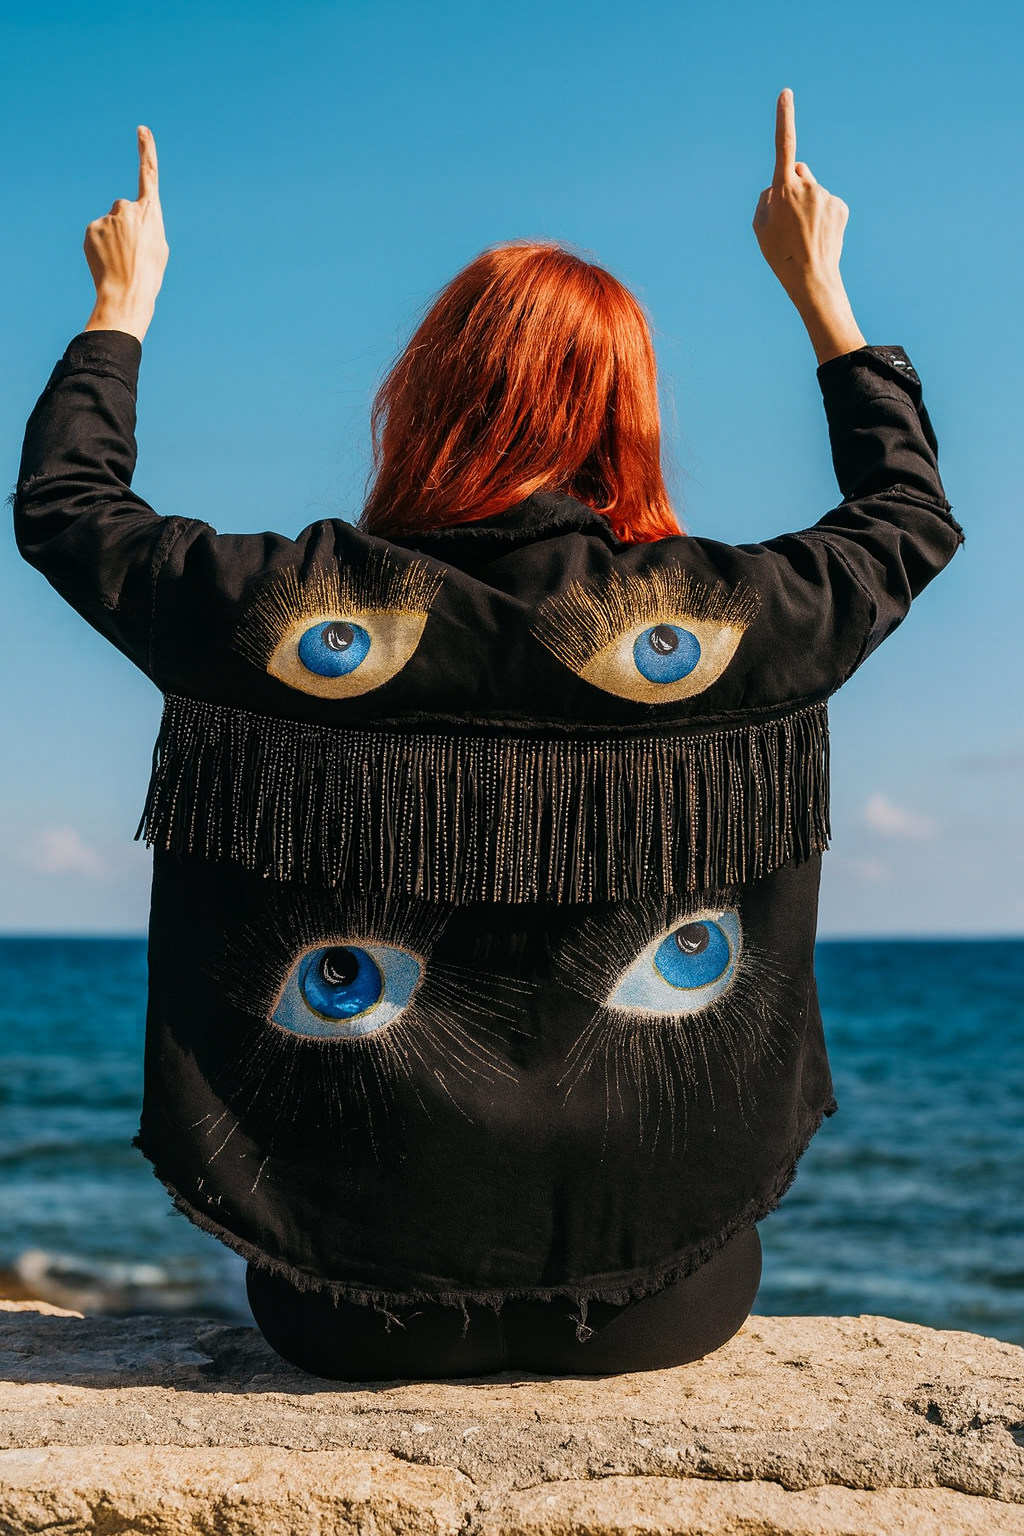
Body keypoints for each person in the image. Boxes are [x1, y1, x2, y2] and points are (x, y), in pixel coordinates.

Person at [14, 92, 961, 1380]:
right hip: (660, 1301)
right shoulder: (719, 627)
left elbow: (71, 508)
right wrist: (823, 294)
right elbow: (905, 520)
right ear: (629, 412)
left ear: (423, 400)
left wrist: (120, 303)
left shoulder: (302, 612)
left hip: (342, 1302)